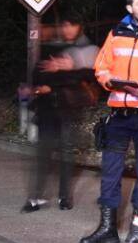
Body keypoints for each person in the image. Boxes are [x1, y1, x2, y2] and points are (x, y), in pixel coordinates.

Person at [79, 0, 138, 243]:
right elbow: (101, 66)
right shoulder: (117, 33)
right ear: (129, 8)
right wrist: (109, 82)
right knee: (110, 174)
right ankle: (107, 228)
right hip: (119, 114)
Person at [22, 12, 100, 213]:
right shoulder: (51, 47)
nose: (67, 29)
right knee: (43, 154)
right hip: (47, 110)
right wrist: (44, 85)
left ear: (79, 26)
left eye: (71, 25)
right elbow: (37, 74)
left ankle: (65, 197)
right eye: (64, 25)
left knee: (66, 154)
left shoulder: (87, 49)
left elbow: (93, 76)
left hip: (68, 109)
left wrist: (67, 70)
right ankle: (36, 197)